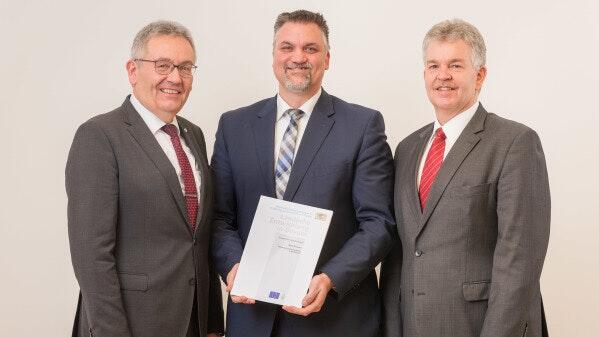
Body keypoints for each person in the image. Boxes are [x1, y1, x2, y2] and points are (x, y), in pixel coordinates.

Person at [210, 9, 395, 337]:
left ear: (327, 58)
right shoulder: (233, 126)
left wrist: (330, 278)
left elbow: (378, 224)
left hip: (335, 320)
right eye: (287, 47)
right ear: (273, 57)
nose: (298, 57)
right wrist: (235, 267)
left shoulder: (362, 126)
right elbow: (220, 218)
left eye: (310, 48)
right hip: (252, 320)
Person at [380, 18, 550, 337]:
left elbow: (520, 261)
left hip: (478, 327)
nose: (443, 76)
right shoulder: (407, 149)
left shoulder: (515, 143)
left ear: (480, 75)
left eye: (455, 65)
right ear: (424, 74)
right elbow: (398, 256)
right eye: (434, 65)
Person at [66, 20, 223, 337]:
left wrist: (211, 324)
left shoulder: (194, 136)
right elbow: (91, 256)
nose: (175, 77)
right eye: (163, 65)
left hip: (192, 322)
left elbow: (198, 241)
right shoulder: (99, 136)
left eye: (185, 67)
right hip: (131, 324)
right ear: (133, 70)